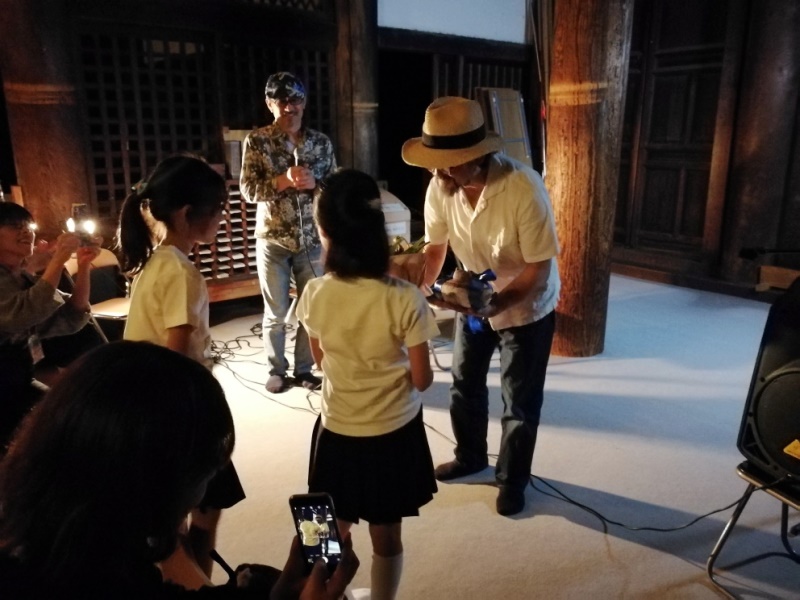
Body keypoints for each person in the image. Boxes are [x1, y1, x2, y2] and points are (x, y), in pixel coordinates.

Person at [0, 340, 359, 599]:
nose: (201, 495)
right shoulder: (109, 577)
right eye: (204, 475)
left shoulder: (65, 549)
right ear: (154, 485)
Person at [401, 96, 561, 517]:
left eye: (448, 163)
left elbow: (538, 268)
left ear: (477, 156)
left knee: (519, 399)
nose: (438, 172)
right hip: (472, 297)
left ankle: (512, 479)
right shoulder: (441, 186)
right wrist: (420, 285)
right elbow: (436, 247)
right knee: (464, 383)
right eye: (435, 164)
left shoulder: (523, 187)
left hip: (525, 304)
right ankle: (471, 456)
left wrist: (498, 304)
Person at [297, 169, 439, 600]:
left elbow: (321, 361)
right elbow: (422, 380)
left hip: (337, 429)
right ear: (381, 230)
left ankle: (317, 590)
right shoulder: (405, 298)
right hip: (392, 435)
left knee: (324, 526)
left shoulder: (315, 292)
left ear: (324, 232)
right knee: (386, 533)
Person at [117, 155, 246, 587]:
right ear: (188, 214)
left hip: (145, 405)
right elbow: (175, 361)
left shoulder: (155, 262)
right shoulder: (180, 272)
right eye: (219, 210)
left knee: (175, 517)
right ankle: (196, 584)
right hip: (178, 413)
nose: (222, 219)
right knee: (201, 512)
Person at [240, 71, 337, 394]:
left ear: (304, 103)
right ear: (269, 104)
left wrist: (316, 184)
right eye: (280, 101)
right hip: (273, 239)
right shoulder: (257, 141)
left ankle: (305, 369)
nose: (288, 107)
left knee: (312, 309)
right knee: (276, 311)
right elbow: (248, 190)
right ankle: (276, 370)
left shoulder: (321, 143)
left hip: (312, 239)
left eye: (295, 100)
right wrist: (282, 181)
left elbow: (335, 188)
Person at [0, 202, 99, 448]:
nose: (25, 232)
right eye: (14, 226)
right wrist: (59, 259)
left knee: (68, 418)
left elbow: (70, 317)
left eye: (27, 226)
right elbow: (23, 314)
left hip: (18, 380)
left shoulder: (20, 277)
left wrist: (83, 266)